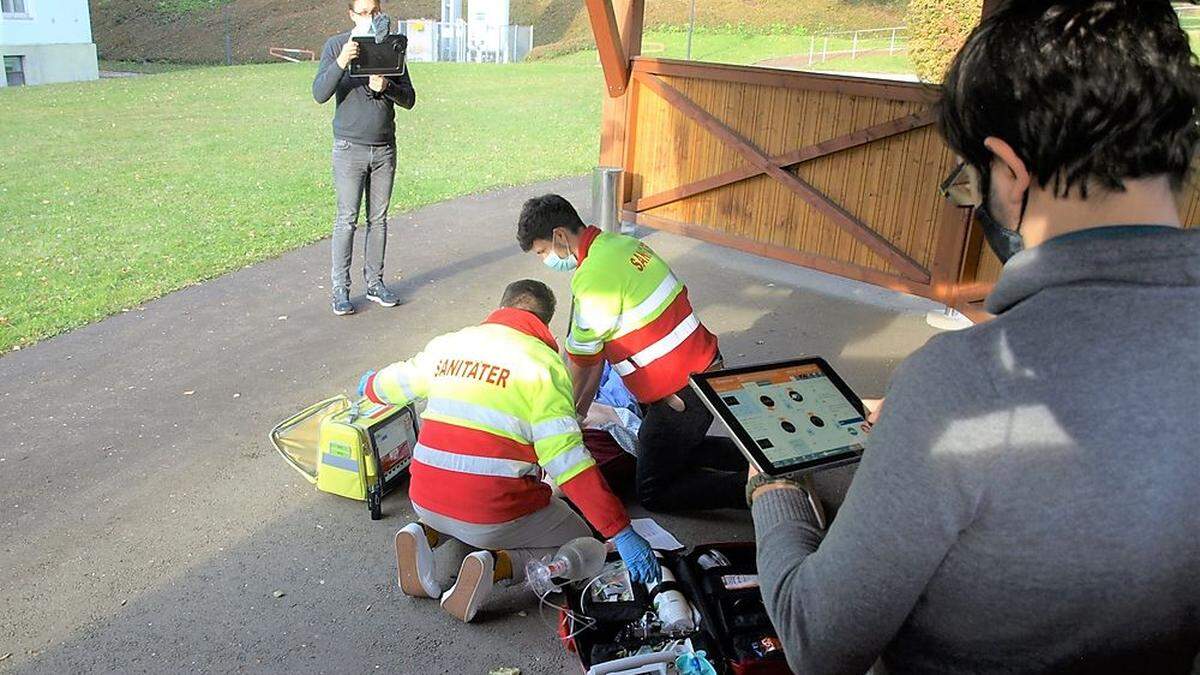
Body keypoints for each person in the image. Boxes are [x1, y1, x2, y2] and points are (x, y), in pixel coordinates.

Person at [749, 1, 1200, 673]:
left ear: (1010, 171)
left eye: (972, 182)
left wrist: (774, 493)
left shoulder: (960, 384)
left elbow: (819, 640)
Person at [358, 280, 659, 623]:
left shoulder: (450, 343)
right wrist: (619, 530)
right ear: (544, 322)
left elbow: (392, 383)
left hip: (424, 497)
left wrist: (369, 385)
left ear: (502, 306)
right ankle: (496, 567)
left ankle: (422, 533)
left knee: (458, 499)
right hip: (492, 513)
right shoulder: (542, 366)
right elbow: (567, 461)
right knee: (579, 541)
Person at [516, 195, 748, 512]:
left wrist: (559, 419)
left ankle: (756, 490)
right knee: (663, 450)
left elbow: (580, 364)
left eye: (542, 252)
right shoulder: (619, 246)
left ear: (559, 236)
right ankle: (764, 460)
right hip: (704, 367)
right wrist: (578, 415)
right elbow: (594, 357)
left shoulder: (593, 278)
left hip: (684, 394)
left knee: (653, 491)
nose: (545, 260)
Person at [312, 0, 414, 316]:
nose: (370, 18)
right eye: (364, 13)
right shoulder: (335, 46)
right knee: (346, 220)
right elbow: (320, 93)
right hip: (349, 147)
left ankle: (375, 283)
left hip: (384, 147)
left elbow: (409, 99)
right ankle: (340, 291)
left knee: (378, 220)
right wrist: (342, 60)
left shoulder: (391, 46)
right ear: (352, 15)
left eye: (375, 12)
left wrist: (386, 87)